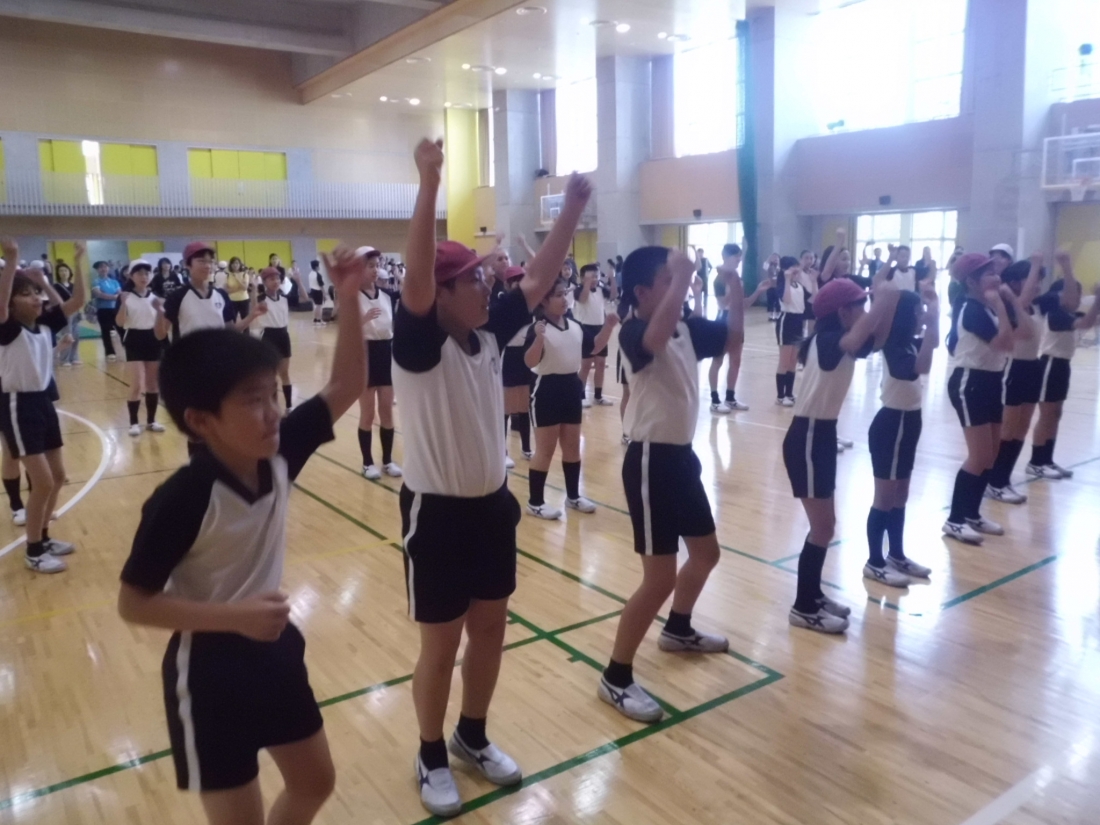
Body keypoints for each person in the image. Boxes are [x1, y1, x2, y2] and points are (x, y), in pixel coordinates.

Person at [116, 246, 365, 825]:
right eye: (253, 401)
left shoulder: (280, 452)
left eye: (272, 394)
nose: (274, 412)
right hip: (208, 676)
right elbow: (134, 603)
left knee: (315, 781)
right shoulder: (182, 497)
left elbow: (348, 381)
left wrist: (348, 295)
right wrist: (234, 618)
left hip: (275, 653)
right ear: (201, 421)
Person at [391, 139, 588, 818]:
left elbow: (537, 279)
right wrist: (429, 182)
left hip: (491, 509)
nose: (489, 285)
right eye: (474, 279)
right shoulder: (420, 344)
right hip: (437, 515)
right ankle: (429, 753)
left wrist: (573, 208)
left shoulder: (487, 333)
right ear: (441, 294)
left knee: (492, 629)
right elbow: (418, 276)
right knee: (440, 644)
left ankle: (471, 735)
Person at [597, 246, 743, 723]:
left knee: (705, 554)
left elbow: (733, 338)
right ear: (642, 292)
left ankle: (677, 629)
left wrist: (734, 287)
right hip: (649, 461)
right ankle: (615, 676)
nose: (678, 287)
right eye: (667, 280)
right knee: (659, 577)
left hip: (681, 458)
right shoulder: (632, 331)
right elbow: (654, 339)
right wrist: (684, 277)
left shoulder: (686, 327)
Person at [784, 278, 901, 633]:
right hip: (806, 437)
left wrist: (887, 303)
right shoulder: (828, 340)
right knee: (822, 527)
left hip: (821, 436)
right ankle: (803, 608)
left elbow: (877, 339)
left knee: (826, 526)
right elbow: (856, 339)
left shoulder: (841, 339)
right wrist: (880, 301)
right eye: (859, 305)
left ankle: (812, 595)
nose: (864, 311)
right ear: (842, 312)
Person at [0, 238, 86, 574]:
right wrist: (12, 259)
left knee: (59, 476)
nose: (35, 298)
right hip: (17, 404)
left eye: (36, 293)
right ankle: (33, 551)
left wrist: (75, 263)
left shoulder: (45, 325)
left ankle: (44, 537)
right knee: (44, 482)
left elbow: (76, 301)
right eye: (26, 294)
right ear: (11, 302)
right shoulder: (8, 329)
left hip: (42, 402)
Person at [864, 279, 939, 587]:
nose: (922, 315)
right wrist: (932, 322)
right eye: (918, 311)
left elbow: (930, 350)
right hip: (891, 424)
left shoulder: (908, 342)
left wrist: (933, 313)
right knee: (884, 497)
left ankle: (896, 554)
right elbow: (921, 367)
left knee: (901, 494)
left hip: (910, 421)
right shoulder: (894, 345)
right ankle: (874, 562)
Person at [524, 278, 618, 519]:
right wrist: (539, 339)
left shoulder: (575, 325)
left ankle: (573, 497)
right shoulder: (537, 328)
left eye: (565, 293)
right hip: (546, 390)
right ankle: (535, 502)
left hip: (570, 387)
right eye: (558, 295)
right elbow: (530, 362)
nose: (564, 299)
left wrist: (608, 327)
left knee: (572, 447)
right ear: (544, 301)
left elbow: (593, 347)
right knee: (545, 450)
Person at [942, 253, 1017, 545]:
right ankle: (955, 520)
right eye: (989, 274)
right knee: (980, 456)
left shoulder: (985, 308)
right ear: (972, 282)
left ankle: (972, 514)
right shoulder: (972, 309)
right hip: (970, 383)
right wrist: (1000, 304)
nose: (996, 277)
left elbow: (1016, 335)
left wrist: (1002, 305)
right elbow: (1006, 342)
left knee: (991, 454)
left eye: (995, 272)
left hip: (991, 381)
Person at [1026, 252, 1100, 479]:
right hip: (1049, 364)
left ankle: (1047, 459)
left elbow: (1092, 319)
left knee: (1055, 414)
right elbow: (1086, 322)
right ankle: (1036, 462)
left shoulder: (1070, 312)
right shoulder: (1056, 314)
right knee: (1047, 415)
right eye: (1075, 292)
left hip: (1062, 365)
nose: (1078, 297)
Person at [985, 255, 1044, 503]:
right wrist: (1035, 264)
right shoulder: (1010, 303)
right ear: (1016, 281)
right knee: (1007, 429)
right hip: (1013, 368)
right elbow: (1022, 302)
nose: (1037, 284)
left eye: (1038, 280)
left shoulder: (1036, 306)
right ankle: (994, 482)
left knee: (1021, 429)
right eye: (1032, 279)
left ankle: (1004, 480)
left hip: (1033, 367)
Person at [157, 242, 266, 344]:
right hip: (188, 356)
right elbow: (160, 335)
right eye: (201, 261)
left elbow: (231, 329)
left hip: (218, 354)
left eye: (211, 262)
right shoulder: (177, 297)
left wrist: (252, 315)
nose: (208, 266)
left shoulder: (222, 295)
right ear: (187, 264)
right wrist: (159, 313)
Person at [356, 247, 402, 480]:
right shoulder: (351, 297)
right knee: (367, 413)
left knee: (386, 411)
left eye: (377, 265)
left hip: (385, 353)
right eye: (370, 266)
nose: (375, 270)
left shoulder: (386, 295)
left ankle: (387, 461)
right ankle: (367, 463)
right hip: (364, 355)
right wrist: (362, 320)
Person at [709, 244, 772, 413]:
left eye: (739, 256)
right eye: (735, 256)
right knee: (718, 361)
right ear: (725, 256)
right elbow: (723, 303)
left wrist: (758, 291)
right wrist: (732, 285)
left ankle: (730, 398)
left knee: (735, 361)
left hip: (737, 323)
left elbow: (744, 304)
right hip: (723, 322)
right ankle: (714, 400)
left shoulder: (738, 279)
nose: (738, 259)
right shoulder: (719, 279)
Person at [116, 261, 167, 437]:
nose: (144, 277)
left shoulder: (156, 298)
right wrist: (123, 303)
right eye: (139, 273)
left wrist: (160, 311)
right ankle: (133, 423)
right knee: (137, 384)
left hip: (153, 339)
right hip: (134, 339)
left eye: (147, 273)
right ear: (131, 276)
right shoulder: (126, 297)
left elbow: (162, 324)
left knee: (152, 384)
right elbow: (120, 322)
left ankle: (152, 421)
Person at [499, 266, 534, 469]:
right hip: (508, 355)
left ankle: (526, 448)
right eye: (515, 280)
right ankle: (502, 451)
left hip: (524, 354)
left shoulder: (529, 305)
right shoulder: (503, 303)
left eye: (521, 279)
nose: (519, 283)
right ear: (507, 283)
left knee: (524, 404)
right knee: (506, 406)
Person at [574, 262, 617, 408]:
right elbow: (583, 299)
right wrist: (586, 284)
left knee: (601, 363)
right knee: (586, 365)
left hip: (600, 328)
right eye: (591, 276)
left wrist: (612, 279)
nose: (595, 279)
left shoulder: (600, 289)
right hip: (585, 329)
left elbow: (613, 295)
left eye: (596, 276)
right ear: (582, 278)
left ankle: (598, 396)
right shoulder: (579, 290)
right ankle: (580, 397)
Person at [253, 266, 296, 412]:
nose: (275, 281)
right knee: (269, 375)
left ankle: (289, 406)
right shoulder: (261, 299)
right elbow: (253, 311)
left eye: (277, 278)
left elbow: (304, 298)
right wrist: (253, 290)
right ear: (265, 282)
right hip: (269, 337)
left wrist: (298, 282)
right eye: (271, 279)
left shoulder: (284, 298)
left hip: (283, 336)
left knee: (285, 373)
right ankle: (270, 405)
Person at [774, 256, 807, 406]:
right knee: (784, 361)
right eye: (793, 267)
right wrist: (787, 279)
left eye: (797, 267)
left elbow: (806, 302)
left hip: (798, 322)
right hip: (786, 321)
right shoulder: (782, 284)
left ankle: (789, 393)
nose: (796, 270)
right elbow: (786, 300)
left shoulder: (799, 285)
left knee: (793, 361)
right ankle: (780, 396)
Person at [92, 260, 122, 362]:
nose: (103, 269)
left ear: (108, 268)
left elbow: (120, 293)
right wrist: (114, 297)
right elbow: (98, 294)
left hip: (116, 309)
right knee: (105, 331)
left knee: (121, 329)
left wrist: (113, 297)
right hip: (103, 310)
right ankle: (110, 352)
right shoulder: (96, 281)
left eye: (105, 266)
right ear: (97, 270)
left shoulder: (114, 281)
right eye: (101, 267)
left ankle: (127, 347)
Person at [54, 262, 83, 367]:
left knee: (76, 335)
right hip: (65, 312)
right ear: (58, 273)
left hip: (75, 312)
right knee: (67, 335)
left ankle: (74, 357)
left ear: (69, 272)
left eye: (65, 270)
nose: (63, 273)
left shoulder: (73, 286)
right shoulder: (56, 286)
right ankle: (64, 359)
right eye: (61, 271)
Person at [307, 260, 327, 326]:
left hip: (312, 291)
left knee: (316, 306)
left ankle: (315, 320)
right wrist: (324, 294)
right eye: (318, 266)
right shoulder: (318, 275)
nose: (319, 267)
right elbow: (321, 285)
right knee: (319, 306)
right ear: (316, 267)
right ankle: (319, 320)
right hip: (318, 291)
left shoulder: (310, 274)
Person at [763, 253, 781, 320]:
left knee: (778, 301)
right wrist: (769, 258)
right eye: (774, 258)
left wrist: (778, 263)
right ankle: (771, 315)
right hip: (770, 286)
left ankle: (777, 315)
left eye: (776, 258)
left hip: (778, 287)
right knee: (770, 300)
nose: (775, 259)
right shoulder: (769, 266)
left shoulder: (780, 267)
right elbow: (765, 266)